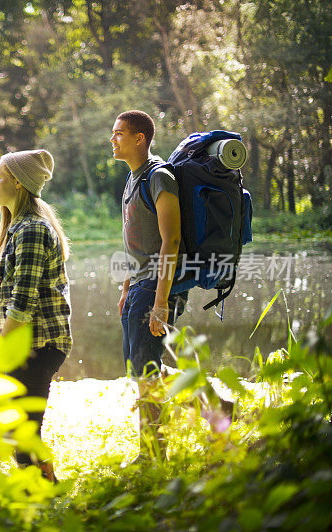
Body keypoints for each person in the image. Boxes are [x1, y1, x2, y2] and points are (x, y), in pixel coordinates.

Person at [0, 149, 72, 482]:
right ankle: (44, 483)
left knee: (21, 432)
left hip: (38, 344)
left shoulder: (33, 230)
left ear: (18, 183)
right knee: (20, 430)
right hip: (28, 343)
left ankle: (43, 492)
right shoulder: (20, 228)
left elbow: (22, 304)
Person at [111, 110, 188, 459]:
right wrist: (126, 289)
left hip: (158, 284)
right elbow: (135, 240)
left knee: (146, 372)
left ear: (139, 138)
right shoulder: (132, 179)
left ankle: (152, 455)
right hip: (139, 285)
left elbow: (170, 240)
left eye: (119, 134)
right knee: (143, 367)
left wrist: (160, 301)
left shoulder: (160, 176)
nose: (113, 139)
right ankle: (215, 402)